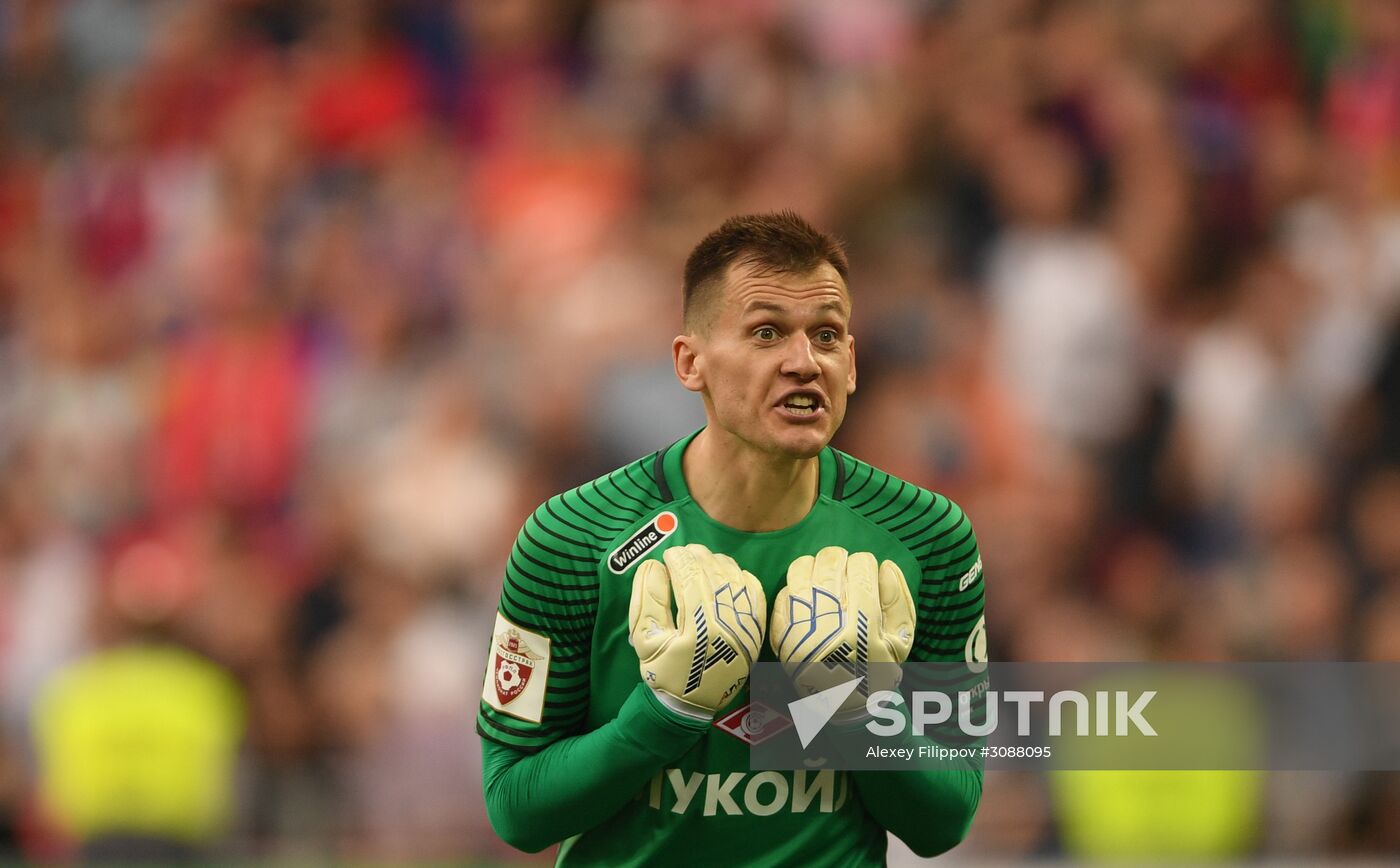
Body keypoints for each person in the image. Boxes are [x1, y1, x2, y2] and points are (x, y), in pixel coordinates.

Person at [477, 211, 986, 865]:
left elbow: (945, 820)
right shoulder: (571, 538)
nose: (803, 362)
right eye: (767, 332)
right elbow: (516, 809)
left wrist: (849, 715)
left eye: (827, 335)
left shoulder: (929, 538)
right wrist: (665, 711)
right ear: (691, 363)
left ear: (851, 366)